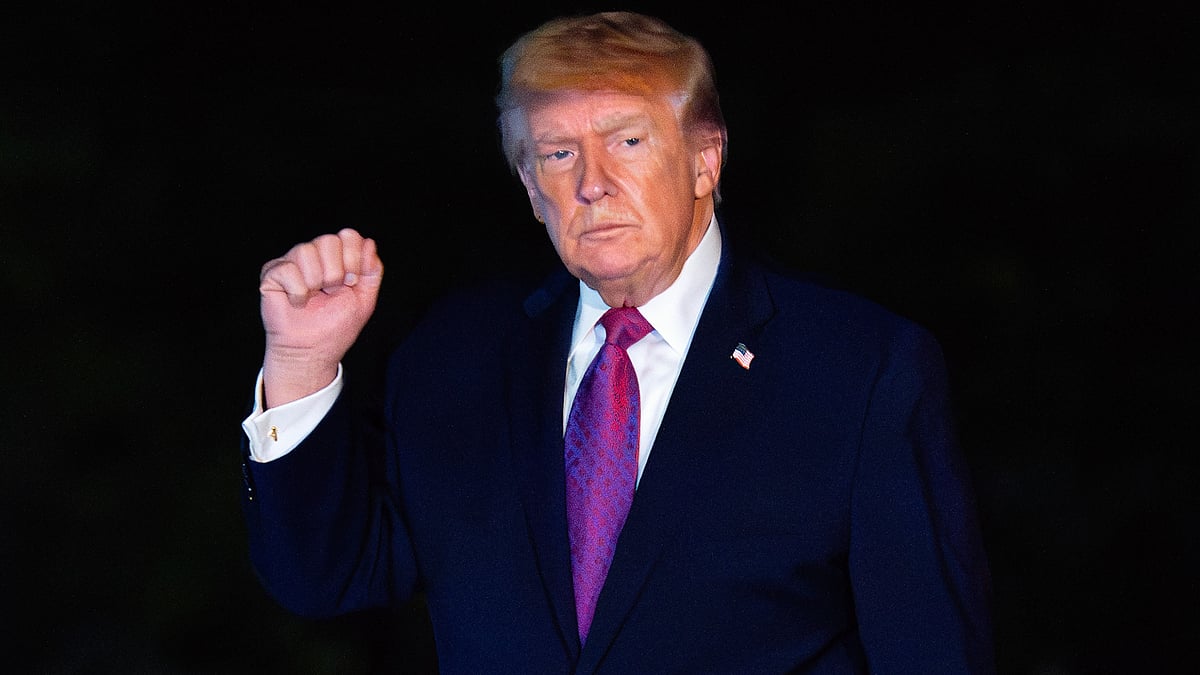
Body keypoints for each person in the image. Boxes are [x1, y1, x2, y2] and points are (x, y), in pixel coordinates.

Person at [240, 11, 995, 673]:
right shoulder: (455, 359)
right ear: (532, 189)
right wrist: (302, 365)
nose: (591, 183)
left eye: (626, 140)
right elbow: (325, 577)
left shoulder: (859, 371)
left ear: (706, 160)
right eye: (559, 154)